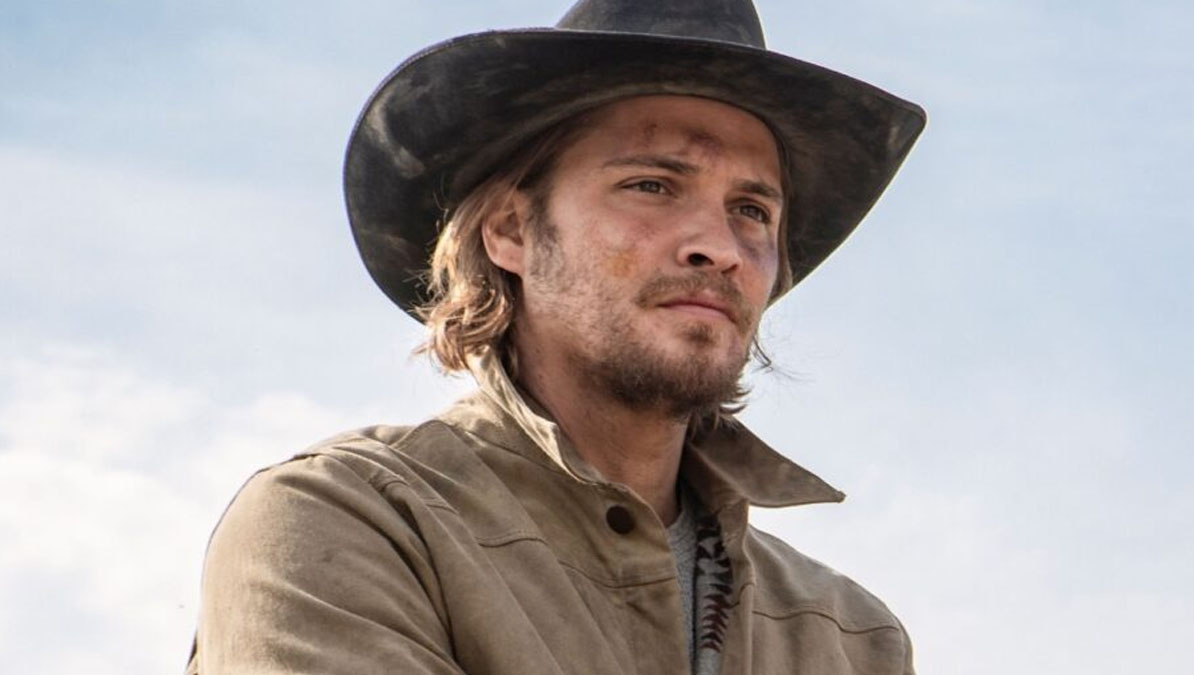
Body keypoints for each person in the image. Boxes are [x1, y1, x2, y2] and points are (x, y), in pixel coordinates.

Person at [186, 0, 925, 673]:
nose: (720, 246)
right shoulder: (352, 522)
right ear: (511, 230)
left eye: (752, 211)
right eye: (652, 186)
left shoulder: (850, 637)